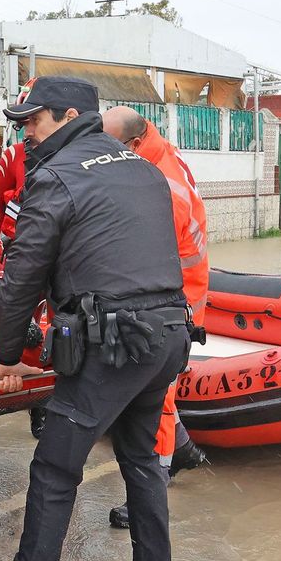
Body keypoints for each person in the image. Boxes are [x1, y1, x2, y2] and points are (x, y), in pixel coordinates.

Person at [0, 77, 191, 561]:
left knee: (56, 466)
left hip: (109, 346)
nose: (25, 134)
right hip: (168, 335)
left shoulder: (54, 177)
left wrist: (5, 355)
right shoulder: (143, 169)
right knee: (139, 457)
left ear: (65, 116)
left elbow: (22, 278)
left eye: (32, 121)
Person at [101, 105, 211, 529]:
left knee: (156, 389)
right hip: (182, 283)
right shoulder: (156, 154)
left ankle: (157, 480)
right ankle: (183, 450)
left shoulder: (160, 185)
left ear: (131, 143)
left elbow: (144, 249)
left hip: (178, 293)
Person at [0, 92, 47, 440]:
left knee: (48, 336)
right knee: (15, 328)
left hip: (60, 265)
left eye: (33, 121)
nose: (28, 130)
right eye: (24, 123)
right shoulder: (13, 157)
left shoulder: (72, 158)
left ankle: (42, 405)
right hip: (18, 258)